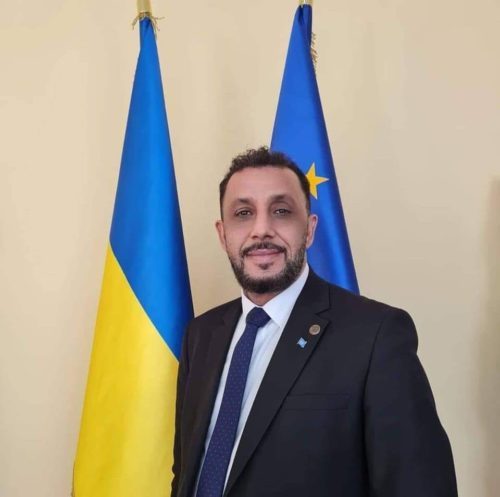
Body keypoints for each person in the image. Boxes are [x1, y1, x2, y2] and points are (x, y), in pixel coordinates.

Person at [171, 147, 457, 497]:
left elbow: (419, 485)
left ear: (309, 229)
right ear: (222, 234)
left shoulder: (376, 335)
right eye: (243, 213)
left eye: (281, 211)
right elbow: (185, 473)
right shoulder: (201, 335)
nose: (261, 229)